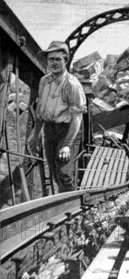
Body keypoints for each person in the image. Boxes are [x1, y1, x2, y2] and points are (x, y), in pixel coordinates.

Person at [29, 41, 87, 192]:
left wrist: (67, 144)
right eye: (51, 59)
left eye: (58, 59)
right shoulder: (44, 81)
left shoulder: (72, 85)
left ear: (65, 61)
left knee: (64, 172)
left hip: (67, 130)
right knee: (54, 171)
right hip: (49, 129)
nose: (54, 63)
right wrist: (35, 136)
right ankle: (65, 203)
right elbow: (41, 112)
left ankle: (70, 208)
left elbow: (77, 119)